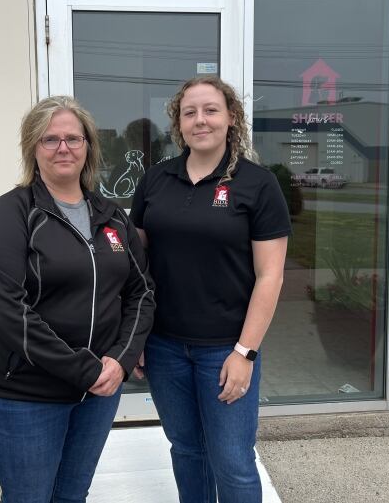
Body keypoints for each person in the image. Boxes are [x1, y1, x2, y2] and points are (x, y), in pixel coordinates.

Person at [0, 96, 155, 503]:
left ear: (88, 146)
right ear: (33, 149)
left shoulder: (112, 217)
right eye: (49, 139)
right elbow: (7, 312)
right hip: (25, 393)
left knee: (72, 496)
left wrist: (120, 360)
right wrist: (82, 369)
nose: (63, 147)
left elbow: (141, 293)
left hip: (97, 392)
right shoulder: (10, 216)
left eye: (73, 138)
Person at [130, 76, 290, 503]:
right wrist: (137, 337)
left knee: (233, 461)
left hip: (225, 350)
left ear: (231, 118)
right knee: (186, 451)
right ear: (178, 124)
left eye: (211, 110)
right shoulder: (155, 181)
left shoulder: (257, 184)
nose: (200, 120)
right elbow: (136, 267)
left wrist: (245, 353)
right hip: (164, 348)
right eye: (190, 112)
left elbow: (270, 276)